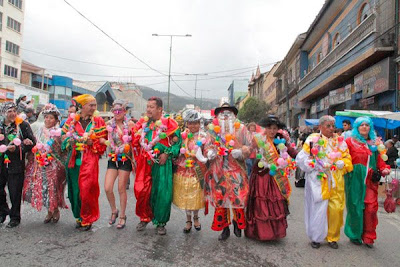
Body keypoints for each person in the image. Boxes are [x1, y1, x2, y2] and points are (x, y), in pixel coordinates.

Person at [296, 115, 353, 249]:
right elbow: (302, 158)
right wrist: (312, 164)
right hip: (319, 178)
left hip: (336, 178)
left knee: (336, 208)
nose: (331, 129)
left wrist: (342, 163)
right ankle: (316, 237)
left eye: (333, 126)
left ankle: (332, 237)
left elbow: (347, 158)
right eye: (328, 126)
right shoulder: (313, 139)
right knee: (318, 208)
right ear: (320, 127)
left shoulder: (340, 141)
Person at [132, 97, 181, 235]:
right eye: (147, 106)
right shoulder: (143, 123)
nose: (148, 109)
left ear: (160, 109)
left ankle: (160, 222)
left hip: (161, 163)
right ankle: (144, 217)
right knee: (141, 190)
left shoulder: (170, 124)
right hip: (144, 161)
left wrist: (167, 153)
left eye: (151, 107)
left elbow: (177, 144)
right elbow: (134, 141)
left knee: (162, 193)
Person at [245, 116, 297, 241]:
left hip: (276, 174)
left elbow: (291, 151)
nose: (272, 131)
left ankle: (274, 232)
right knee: (261, 201)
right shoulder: (258, 138)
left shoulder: (281, 139)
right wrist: (241, 151)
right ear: (265, 128)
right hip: (261, 173)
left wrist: (303, 156)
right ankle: (261, 231)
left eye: (275, 128)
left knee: (276, 202)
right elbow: (249, 150)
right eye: (269, 128)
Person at [204, 103, 250, 241]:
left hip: (237, 170)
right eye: (222, 113)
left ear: (234, 116)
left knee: (238, 198)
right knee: (221, 201)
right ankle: (225, 228)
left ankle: (237, 222)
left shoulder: (241, 129)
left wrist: (242, 151)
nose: (225, 116)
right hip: (218, 170)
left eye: (228, 113)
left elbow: (251, 146)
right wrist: (209, 152)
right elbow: (207, 146)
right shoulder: (212, 131)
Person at [62, 94, 107, 231]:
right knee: (75, 190)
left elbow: (103, 143)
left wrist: (91, 143)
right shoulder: (71, 121)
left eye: (95, 105)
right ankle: (79, 217)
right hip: (73, 160)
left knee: (87, 189)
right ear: (82, 106)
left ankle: (88, 218)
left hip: (89, 159)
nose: (94, 108)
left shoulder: (98, 122)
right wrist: (69, 142)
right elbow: (63, 138)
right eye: (91, 105)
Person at [344, 117, 390, 248]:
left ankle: (369, 236)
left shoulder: (375, 143)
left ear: (370, 127)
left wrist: (384, 169)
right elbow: (346, 158)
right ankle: (355, 234)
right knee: (355, 207)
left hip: (370, 181)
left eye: (367, 125)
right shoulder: (350, 142)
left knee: (371, 208)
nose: (364, 127)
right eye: (361, 125)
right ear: (357, 128)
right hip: (354, 181)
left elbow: (380, 161)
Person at [23, 104, 67, 223]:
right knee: (44, 187)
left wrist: (55, 147)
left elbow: (64, 150)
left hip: (54, 164)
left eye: (51, 118)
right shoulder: (39, 130)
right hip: (40, 162)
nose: (48, 120)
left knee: (53, 187)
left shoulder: (59, 132)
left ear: (56, 120)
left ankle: (55, 209)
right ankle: (49, 210)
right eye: (46, 117)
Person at [0, 102, 36, 228]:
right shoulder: (0, 126)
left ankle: (15, 217)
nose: (13, 114)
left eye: (14, 111)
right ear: (4, 113)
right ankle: (3, 211)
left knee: (14, 191)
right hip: (1, 162)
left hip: (16, 163)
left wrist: (18, 147)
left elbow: (32, 142)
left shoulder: (23, 125)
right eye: (9, 111)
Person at [173, 110, 207, 233]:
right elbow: (177, 151)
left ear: (199, 123)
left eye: (196, 123)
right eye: (191, 123)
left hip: (198, 170)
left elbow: (207, 151)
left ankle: (196, 217)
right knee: (186, 195)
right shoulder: (183, 136)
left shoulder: (204, 137)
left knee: (197, 195)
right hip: (184, 170)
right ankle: (188, 220)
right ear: (187, 124)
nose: (193, 126)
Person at [104, 100, 134, 229]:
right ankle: (113, 210)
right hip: (112, 158)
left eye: (119, 111)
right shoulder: (108, 124)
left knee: (121, 188)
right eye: (114, 111)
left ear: (124, 112)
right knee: (107, 187)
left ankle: (122, 216)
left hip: (125, 159)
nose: (117, 113)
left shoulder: (130, 124)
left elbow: (136, 139)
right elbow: (101, 136)